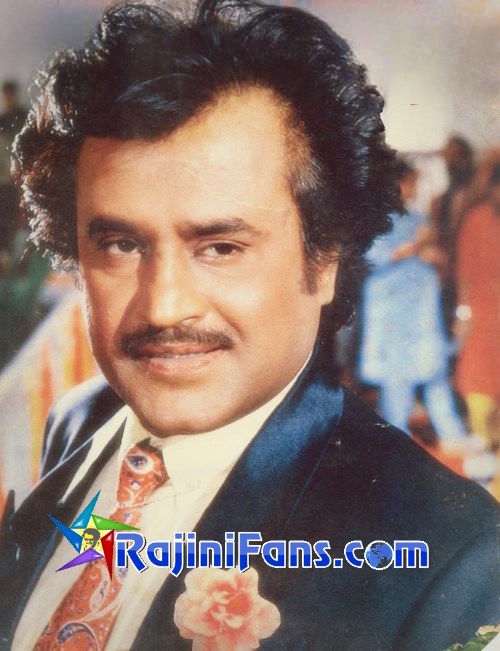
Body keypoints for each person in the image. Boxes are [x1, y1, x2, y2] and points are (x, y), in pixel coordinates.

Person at [0, 2, 498, 650]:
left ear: (325, 261)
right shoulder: (77, 422)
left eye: (221, 247)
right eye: (121, 244)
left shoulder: (454, 559)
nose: (163, 307)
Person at [358, 159, 469, 451]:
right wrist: (415, 247)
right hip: (393, 312)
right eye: (409, 183)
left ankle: (452, 434)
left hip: (421, 309)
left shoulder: (418, 218)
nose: (412, 189)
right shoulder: (373, 220)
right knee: (397, 378)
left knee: (434, 368)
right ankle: (397, 440)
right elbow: (374, 258)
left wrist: (434, 255)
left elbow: (436, 255)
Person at [455, 163, 500, 446]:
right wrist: (463, 312)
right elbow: (464, 271)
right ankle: (483, 440)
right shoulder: (476, 218)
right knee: (476, 375)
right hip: (482, 312)